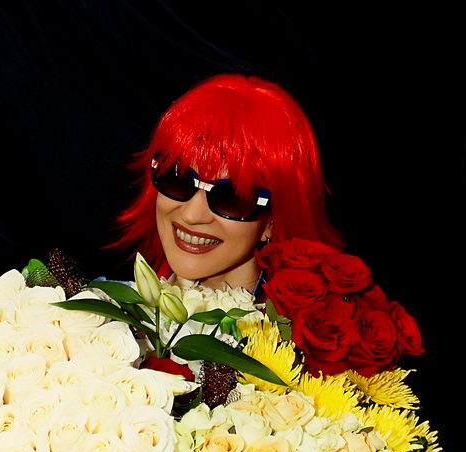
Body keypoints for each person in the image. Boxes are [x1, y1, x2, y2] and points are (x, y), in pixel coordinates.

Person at [109, 73, 343, 293]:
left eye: (232, 197)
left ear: (272, 220)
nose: (192, 215)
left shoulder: (310, 325)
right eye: (177, 179)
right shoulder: (100, 311)